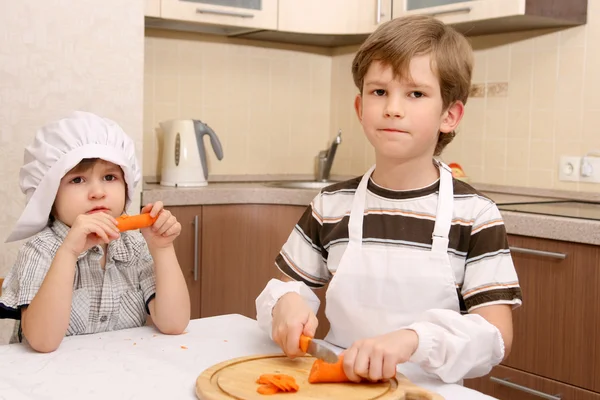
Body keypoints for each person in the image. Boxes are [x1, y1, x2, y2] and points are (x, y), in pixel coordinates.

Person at [256, 15, 522, 384]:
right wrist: (285, 304)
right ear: (359, 106)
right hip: (337, 386)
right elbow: (288, 286)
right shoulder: (330, 205)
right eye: (379, 91)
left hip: (426, 392)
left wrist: (414, 340)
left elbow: (496, 337)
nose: (392, 108)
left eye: (415, 93)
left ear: (450, 115)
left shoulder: (475, 215)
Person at [0, 111, 191, 352]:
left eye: (109, 177)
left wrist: (162, 248)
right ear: (49, 195)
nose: (98, 192)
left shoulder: (134, 246)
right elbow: (42, 342)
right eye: (78, 180)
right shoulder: (39, 250)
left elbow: (174, 323)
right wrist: (68, 252)